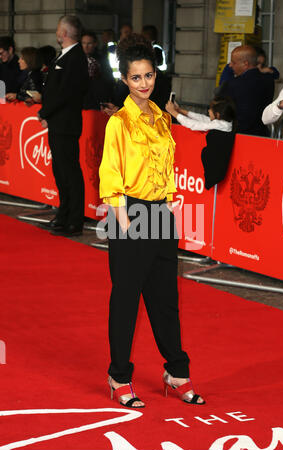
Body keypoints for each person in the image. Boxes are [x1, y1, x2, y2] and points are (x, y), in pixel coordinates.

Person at [99, 33, 205, 408]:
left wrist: (170, 206)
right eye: (136, 78)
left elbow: (168, 166)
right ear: (125, 80)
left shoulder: (160, 118)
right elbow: (110, 173)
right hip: (130, 213)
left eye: (149, 76)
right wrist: (123, 220)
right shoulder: (120, 122)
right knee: (126, 300)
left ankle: (177, 372)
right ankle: (118, 376)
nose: (144, 84)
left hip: (161, 214)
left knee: (165, 300)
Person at [38, 15, 89, 237]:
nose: (57, 32)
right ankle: (63, 214)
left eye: (59, 28)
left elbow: (66, 93)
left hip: (66, 123)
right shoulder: (65, 56)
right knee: (60, 170)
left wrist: (44, 111)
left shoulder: (76, 57)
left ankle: (74, 220)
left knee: (69, 171)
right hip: (58, 122)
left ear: (64, 33)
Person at [166, 96, 236, 189]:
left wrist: (173, 113)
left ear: (218, 114)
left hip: (214, 169)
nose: (208, 111)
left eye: (210, 109)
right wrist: (180, 110)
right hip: (215, 168)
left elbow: (194, 125)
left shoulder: (220, 125)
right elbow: (203, 119)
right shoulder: (225, 123)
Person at [220, 45, 274, 136]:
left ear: (245, 64)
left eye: (233, 62)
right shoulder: (269, 80)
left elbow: (222, 108)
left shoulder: (233, 84)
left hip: (238, 136)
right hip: (262, 135)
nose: (230, 65)